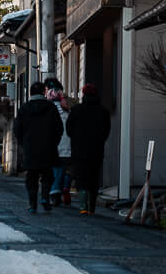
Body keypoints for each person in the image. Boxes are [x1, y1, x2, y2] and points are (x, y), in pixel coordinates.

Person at [13, 81, 63, 213]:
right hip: (48, 147)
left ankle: (32, 203)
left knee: (32, 176)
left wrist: (23, 143)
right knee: (47, 174)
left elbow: (17, 128)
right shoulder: (51, 108)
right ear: (43, 92)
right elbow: (59, 128)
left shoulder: (24, 108)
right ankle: (45, 197)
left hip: (30, 147)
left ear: (30, 93)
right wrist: (53, 142)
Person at [65, 83, 112, 215]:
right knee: (94, 177)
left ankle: (83, 206)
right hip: (96, 149)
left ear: (84, 95)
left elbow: (69, 129)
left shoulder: (76, 110)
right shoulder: (103, 112)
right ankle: (92, 208)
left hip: (79, 149)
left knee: (81, 177)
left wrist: (76, 139)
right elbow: (106, 131)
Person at [46, 80, 72, 207]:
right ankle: (64, 188)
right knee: (64, 169)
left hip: (54, 145)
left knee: (55, 169)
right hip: (67, 145)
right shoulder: (67, 109)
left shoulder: (48, 111)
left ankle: (54, 192)